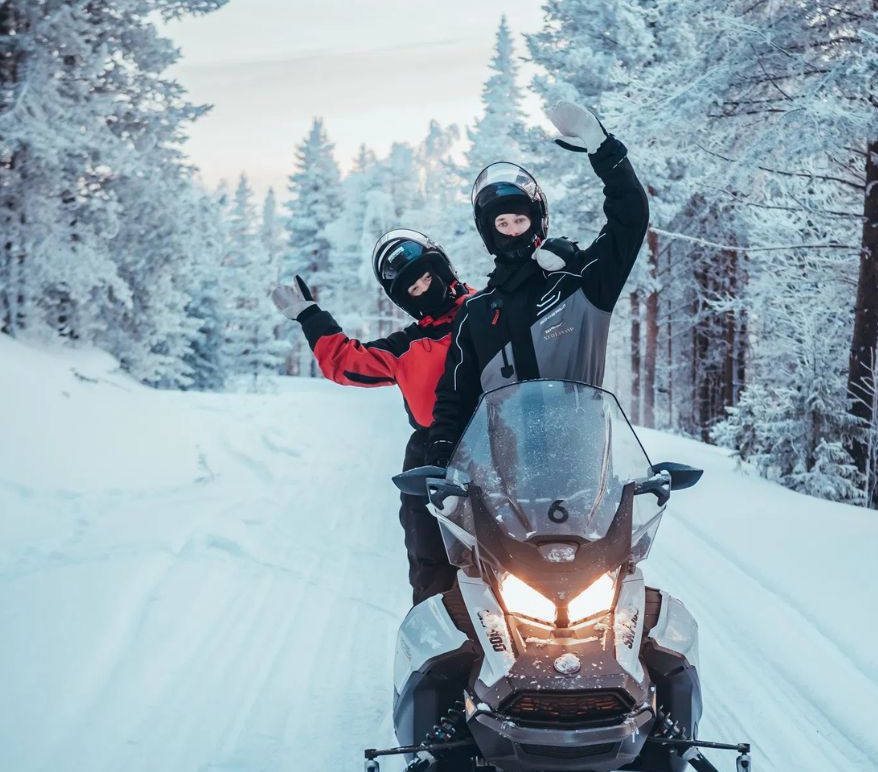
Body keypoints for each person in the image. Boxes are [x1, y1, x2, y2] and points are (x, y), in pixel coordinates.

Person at [427, 101, 649, 467]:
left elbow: (630, 220)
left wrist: (602, 148)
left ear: (538, 222)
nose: (513, 231)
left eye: (520, 221)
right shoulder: (475, 314)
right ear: (489, 233)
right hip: (502, 481)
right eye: (503, 225)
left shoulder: (579, 284)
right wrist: (439, 464)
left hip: (585, 474)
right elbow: (454, 398)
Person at [270, 230, 471, 605]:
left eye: (428, 276)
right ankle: (442, 648)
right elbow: (345, 361)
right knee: (430, 557)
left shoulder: (492, 308)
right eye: (414, 288)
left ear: (444, 270)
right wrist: (309, 315)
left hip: (505, 440)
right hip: (433, 455)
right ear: (404, 300)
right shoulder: (405, 346)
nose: (426, 288)